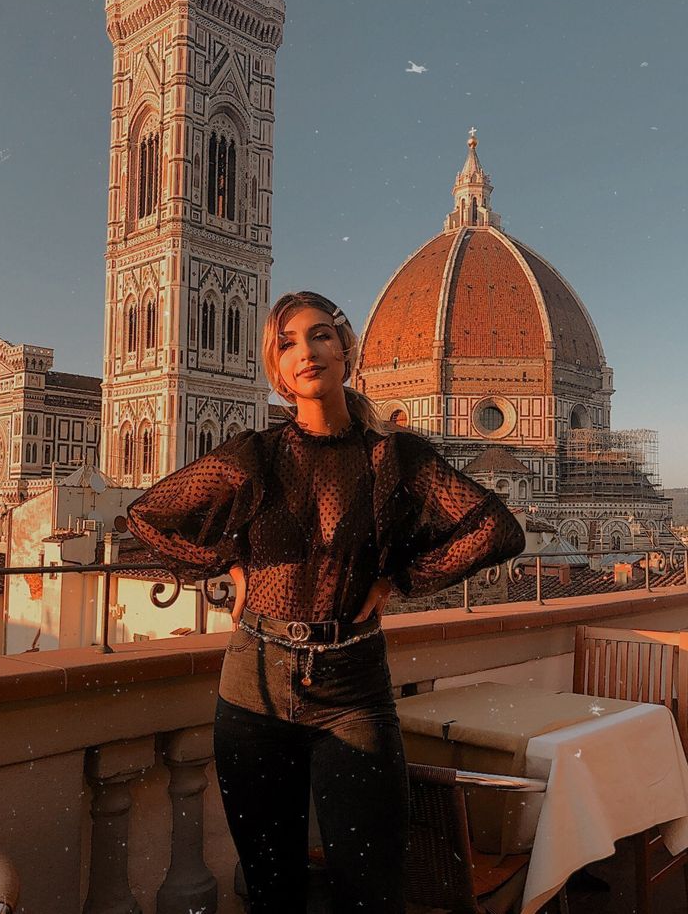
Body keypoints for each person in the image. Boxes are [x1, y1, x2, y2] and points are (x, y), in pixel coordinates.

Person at [126, 290, 525, 914]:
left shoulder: (394, 457)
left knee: (371, 891)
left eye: (318, 336)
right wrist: (226, 564)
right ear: (277, 372)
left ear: (345, 349)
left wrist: (401, 578)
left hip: (352, 690)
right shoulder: (253, 455)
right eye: (286, 344)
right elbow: (146, 516)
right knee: (271, 889)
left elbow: (497, 529)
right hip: (253, 686)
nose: (305, 352)